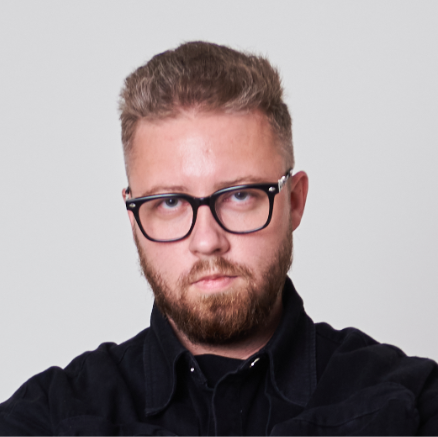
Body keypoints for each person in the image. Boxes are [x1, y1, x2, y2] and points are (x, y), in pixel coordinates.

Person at [1, 41, 437, 436]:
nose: (207, 241)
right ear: (134, 219)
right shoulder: (48, 419)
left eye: (240, 195)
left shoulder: (414, 403)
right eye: (170, 202)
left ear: (295, 201)